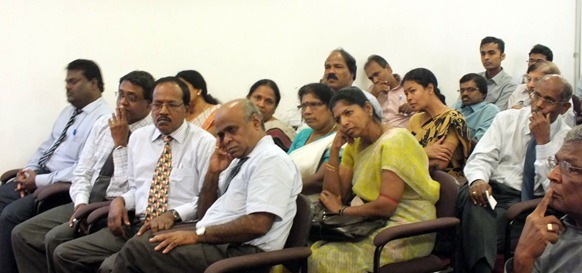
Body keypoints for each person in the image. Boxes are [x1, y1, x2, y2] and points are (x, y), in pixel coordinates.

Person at [109, 99, 302, 273]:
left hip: (245, 253)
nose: (226, 140)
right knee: (146, 239)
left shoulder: (271, 160)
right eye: (221, 134)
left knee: (138, 251)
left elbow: (258, 224)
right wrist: (212, 173)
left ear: (255, 122)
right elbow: (204, 213)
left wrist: (198, 236)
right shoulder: (239, 160)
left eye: (232, 130)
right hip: (221, 243)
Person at [52, 77, 216, 273]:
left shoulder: (204, 143)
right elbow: (136, 189)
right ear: (151, 106)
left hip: (177, 227)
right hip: (137, 223)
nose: (163, 111)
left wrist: (173, 214)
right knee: (65, 253)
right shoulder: (140, 138)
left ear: (187, 109)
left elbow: (208, 198)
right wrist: (120, 200)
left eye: (171, 105)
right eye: (158, 104)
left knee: (110, 267)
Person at [11, 70, 155, 273]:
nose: (123, 102)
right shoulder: (103, 123)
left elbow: (134, 188)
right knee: (22, 233)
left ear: (149, 104)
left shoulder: (150, 136)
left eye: (132, 98)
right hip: (86, 201)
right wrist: (80, 203)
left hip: (116, 208)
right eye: (120, 94)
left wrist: (121, 145)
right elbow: (82, 172)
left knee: (56, 241)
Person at [308, 87, 439, 273]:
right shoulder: (357, 144)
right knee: (309, 250)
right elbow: (335, 194)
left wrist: (343, 210)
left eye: (348, 113)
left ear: (368, 109)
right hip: (370, 223)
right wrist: (335, 150)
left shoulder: (395, 140)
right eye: (338, 119)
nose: (344, 122)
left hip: (407, 227)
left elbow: (386, 205)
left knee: (322, 259)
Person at [0, 59, 111, 273]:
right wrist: (27, 171)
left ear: (94, 83)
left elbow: (81, 169)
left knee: (10, 216)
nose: (67, 86)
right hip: (40, 176)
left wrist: (38, 180)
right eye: (67, 81)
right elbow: (46, 146)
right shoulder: (67, 113)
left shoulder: (102, 119)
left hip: (59, 186)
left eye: (73, 81)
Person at [455, 74, 572, 273]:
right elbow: (482, 157)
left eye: (549, 100)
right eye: (536, 95)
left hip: (528, 203)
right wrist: (479, 180)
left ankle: (480, 268)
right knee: (470, 194)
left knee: (467, 228)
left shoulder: (568, 138)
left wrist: (543, 143)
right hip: (492, 194)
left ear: (564, 108)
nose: (538, 104)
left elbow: (553, 189)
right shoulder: (507, 119)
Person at [508, 125, 582, 273]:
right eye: (556, 163)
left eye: (569, 167)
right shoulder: (558, 227)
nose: (551, 175)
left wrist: (524, 259)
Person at [403, 68, 471, 179]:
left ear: (430, 88)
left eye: (413, 91)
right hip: (414, 177)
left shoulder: (453, 118)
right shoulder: (414, 120)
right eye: (406, 94)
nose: (409, 98)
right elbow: (404, 153)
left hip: (444, 181)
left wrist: (407, 159)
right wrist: (424, 151)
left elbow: (440, 162)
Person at [288, 83, 337, 198]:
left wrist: (283, 188)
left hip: (314, 202)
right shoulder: (303, 134)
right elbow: (284, 166)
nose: (307, 111)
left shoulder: (339, 138)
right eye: (304, 106)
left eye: (314, 104)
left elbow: (320, 180)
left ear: (331, 107)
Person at [507, 61, 575, 127]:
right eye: (529, 79)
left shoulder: (562, 101)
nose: (530, 84)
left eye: (537, 80)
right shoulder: (521, 89)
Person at [321, 48, 383, 118]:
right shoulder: (321, 101)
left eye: (338, 67)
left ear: (352, 73)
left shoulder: (367, 99)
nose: (331, 71)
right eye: (327, 67)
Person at [247, 79, 296, 152]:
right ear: (248, 98)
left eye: (269, 101)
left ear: (275, 108)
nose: (261, 104)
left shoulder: (277, 132)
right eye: (258, 98)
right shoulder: (239, 124)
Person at [364, 54, 413, 127]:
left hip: (407, 132)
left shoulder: (408, 83)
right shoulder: (371, 92)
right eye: (371, 78)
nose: (375, 80)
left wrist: (413, 107)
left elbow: (426, 103)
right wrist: (373, 96)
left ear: (388, 68)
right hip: (382, 135)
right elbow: (363, 115)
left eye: (377, 74)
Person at [452, 73, 500, 141]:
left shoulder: (490, 111)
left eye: (470, 90)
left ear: (483, 93)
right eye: (462, 90)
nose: (465, 93)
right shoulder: (457, 105)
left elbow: (480, 143)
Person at [176, 70, 221, 135]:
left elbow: (208, 140)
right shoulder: (180, 115)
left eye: (184, 87)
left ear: (198, 90)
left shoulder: (217, 112)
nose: (180, 91)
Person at [478, 36, 517, 111]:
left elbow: (496, 114)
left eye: (491, 53)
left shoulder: (510, 84)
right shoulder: (474, 79)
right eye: (483, 54)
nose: (486, 57)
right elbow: (459, 106)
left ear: (502, 56)